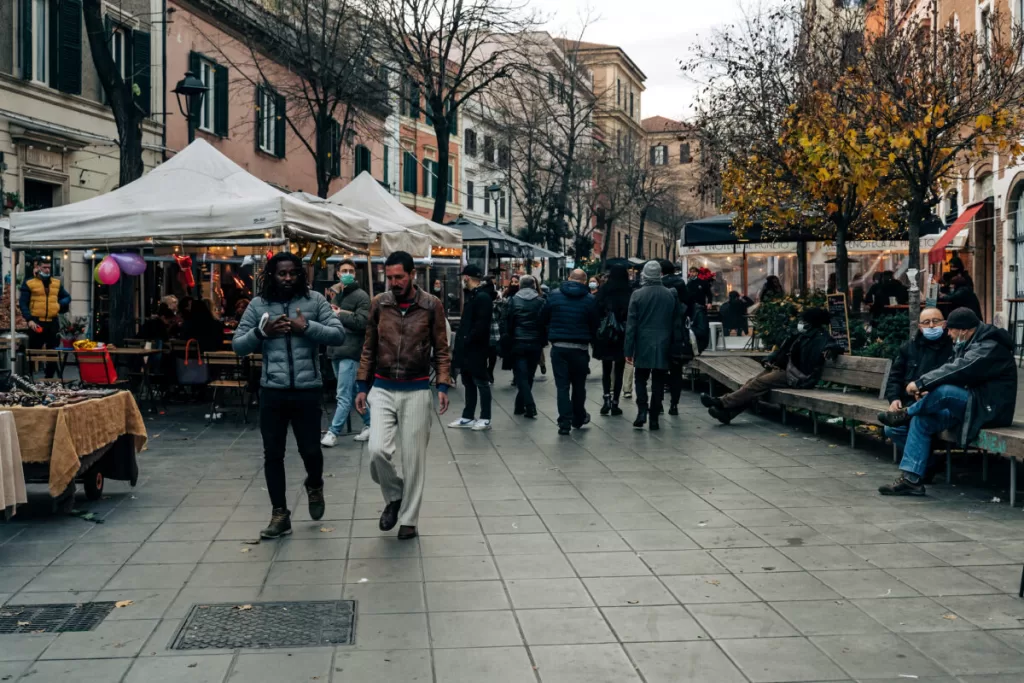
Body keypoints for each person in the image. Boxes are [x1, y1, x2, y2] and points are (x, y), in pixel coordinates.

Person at [233, 252, 344, 539]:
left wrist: (306, 327)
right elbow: (238, 346)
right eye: (282, 273)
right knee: (273, 455)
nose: (287, 278)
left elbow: (338, 334)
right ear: (271, 274)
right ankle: (279, 514)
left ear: (300, 274)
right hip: (272, 391)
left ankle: (315, 483)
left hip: (307, 390)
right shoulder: (258, 305)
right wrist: (262, 332)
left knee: (310, 451)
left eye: (293, 273)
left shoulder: (315, 301)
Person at [355, 251, 450, 540]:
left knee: (414, 460)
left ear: (412, 275)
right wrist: (362, 385)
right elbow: (369, 347)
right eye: (390, 277)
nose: (394, 282)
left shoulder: (432, 305)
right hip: (382, 387)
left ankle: (408, 519)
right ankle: (395, 496)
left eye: (399, 277)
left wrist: (443, 385)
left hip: (417, 388)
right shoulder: (378, 304)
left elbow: (441, 349)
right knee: (377, 451)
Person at [877, 307, 1016, 495]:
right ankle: (911, 480)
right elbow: (952, 371)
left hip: (988, 408)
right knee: (922, 420)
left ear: (964, 330)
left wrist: (921, 383)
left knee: (944, 392)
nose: (947, 333)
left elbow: (959, 369)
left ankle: (906, 414)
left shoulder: (989, 346)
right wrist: (927, 391)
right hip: (970, 404)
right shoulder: (967, 343)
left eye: (950, 329)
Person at [701, 307, 840, 424]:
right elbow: (782, 350)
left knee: (758, 384)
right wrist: (770, 358)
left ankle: (721, 402)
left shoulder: (820, 337)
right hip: (785, 370)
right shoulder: (800, 335)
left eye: (804, 321)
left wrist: (831, 350)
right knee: (753, 383)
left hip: (797, 376)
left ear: (811, 323)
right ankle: (728, 414)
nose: (800, 323)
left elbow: (833, 345)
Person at [882, 308, 953, 467]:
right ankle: (927, 464)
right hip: (910, 403)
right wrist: (894, 399)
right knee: (892, 429)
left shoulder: (953, 347)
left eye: (936, 321)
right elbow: (895, 377)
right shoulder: (909, 347)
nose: (932, 326)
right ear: (920, 327)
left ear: (944, 323)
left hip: (939, 404)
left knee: (919, 422)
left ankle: (918, 468)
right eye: (926, 322)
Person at [625, 261, 683, 431]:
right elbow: (676, 323)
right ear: (659, 274)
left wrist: (628, 350)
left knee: (640, 378)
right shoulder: (670, 294)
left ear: (644, 274)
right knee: (659, 380)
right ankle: (655, 417)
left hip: (643, 342)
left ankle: (642, 410)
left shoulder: (637, 295)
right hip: (664, 342)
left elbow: (631, 325)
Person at [542, 268, 599, 435]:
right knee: (579, 386)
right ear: (585, 281)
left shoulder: (554, 295)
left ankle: (564, 422)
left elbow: (543, 317)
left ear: (568, 278)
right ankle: (578, 417)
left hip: (559, 347)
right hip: (580, 349)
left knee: (562, 386)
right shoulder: (589, 299)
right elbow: (595, 324)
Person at [321, 259, 372, 448]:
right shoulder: (336, 294)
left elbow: (362, 322)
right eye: (344, 270)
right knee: (351, 392)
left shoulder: (362, 296)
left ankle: (333, 432)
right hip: (335, 349)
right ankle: (371, 424)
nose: (348, 273)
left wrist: (339, 313)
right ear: (338, 274)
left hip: (351, 351)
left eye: (351, 270)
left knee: (343, 394)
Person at [449, 265, 493, 431]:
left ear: (467, 277)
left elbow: (481, 324)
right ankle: (468, 416)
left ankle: (485, 417)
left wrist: (468, 339)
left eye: (463, 277)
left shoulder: (482, 297)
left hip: (476, 349)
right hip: (468, 348)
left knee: (481, 382)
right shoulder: (474, 296)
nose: (462, 280)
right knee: (468, 382)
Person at [504, 275, 546, 418]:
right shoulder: (541, 301)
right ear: (534, 286)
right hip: (535, 342)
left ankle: (528, 405)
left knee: (521, 376)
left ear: (520, 286)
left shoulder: (513, 301)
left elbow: (508, 321)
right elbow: (544, 322)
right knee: (529, 375)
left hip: (518, 341)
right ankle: (520, 406)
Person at [20, 260, 70, 378]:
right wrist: (29, 319)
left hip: (53, 322)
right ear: (38, 268)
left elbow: (67, 296)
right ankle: (29, 377)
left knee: (52, 352)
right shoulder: (30, 283)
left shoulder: (56, 283)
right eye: (44, 267)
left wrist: (59, 304)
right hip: (37, 321)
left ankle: (49, 378)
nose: (47, 270)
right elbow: (23, 303)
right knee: (33, 351)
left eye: (49, 267)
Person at [594, 265, 632, 416]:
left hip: (606, 335)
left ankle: (606, 399)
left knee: (606, 369)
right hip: (622, 335)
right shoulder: (628, 292)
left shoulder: (604, 290)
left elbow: (595, 310)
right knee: (620, 369)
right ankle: (616, 402)